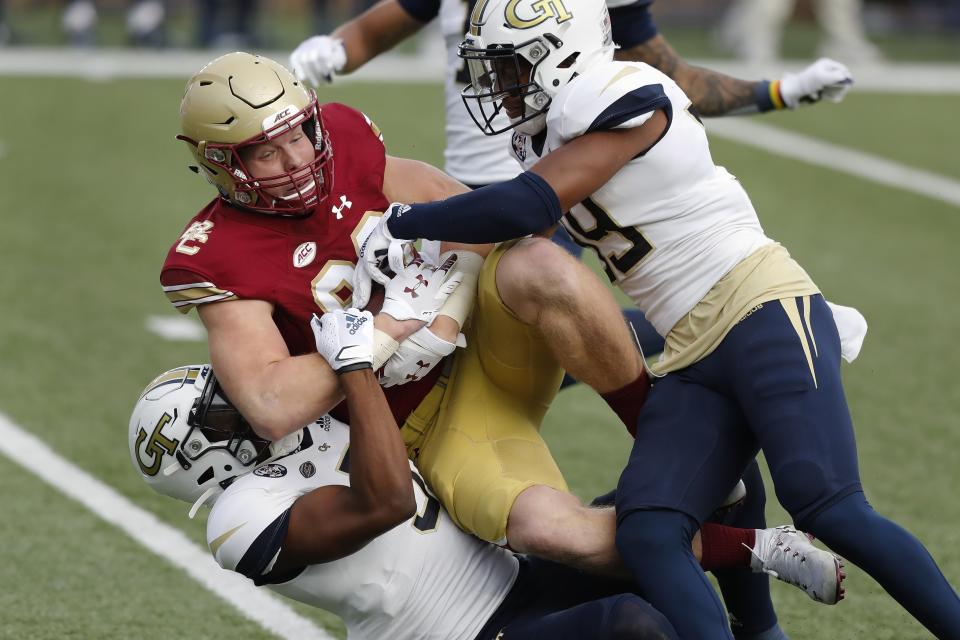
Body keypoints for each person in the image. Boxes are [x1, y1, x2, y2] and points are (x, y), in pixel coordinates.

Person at [159, 53, 840, 628]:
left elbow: (491, 222)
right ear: (221, 164)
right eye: (265, 151)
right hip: (425, 421)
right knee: (554, 533)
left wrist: (443, 309)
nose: (297, 158)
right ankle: (755, 546)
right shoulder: (213, 258)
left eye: (299, 135)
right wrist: (392, 333)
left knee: (539, 266)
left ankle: (653, 426)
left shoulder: (342, 137)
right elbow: (272, 403)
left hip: (479, 334)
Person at [351, 0, 960, 637]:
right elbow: (524, 225)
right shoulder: (550, 131)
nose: (499, 88)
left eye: (509, 68)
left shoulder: (622, 91)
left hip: (759, 310)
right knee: (649, 531)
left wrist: (402, 221)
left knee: (828, 505)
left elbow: (527, 206)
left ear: (561, 55)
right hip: (692, 353)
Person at [127, 336, 830, 639]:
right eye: (220, 409)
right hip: (464, 632)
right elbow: (385, 502)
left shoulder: (297, 430)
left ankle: (759, 582)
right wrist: (355, 369)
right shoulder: (238, 521)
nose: (243, 400)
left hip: (520, 580)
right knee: (629, 627)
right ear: (198, 458)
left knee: (679, 500)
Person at [288, 0, 855, 358]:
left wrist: (774, 93)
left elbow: (671, 75)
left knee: (521, 350)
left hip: (553, 188)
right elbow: (374, 31)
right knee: (470, 351)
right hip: (459, 183)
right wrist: (330, 50)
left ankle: (767, 315)